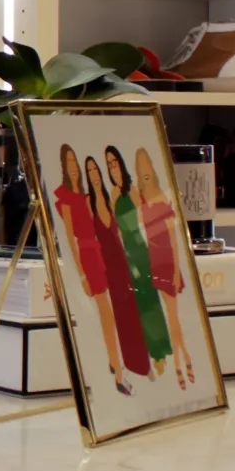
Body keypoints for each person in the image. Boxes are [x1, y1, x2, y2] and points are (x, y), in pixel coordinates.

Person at [53, 145, 129, 393]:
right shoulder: (65, 198)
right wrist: (83, 273)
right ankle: (118, 373)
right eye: (70, 163)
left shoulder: (87, 197)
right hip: (87, 257)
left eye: (75, 162)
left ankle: (113, 360)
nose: (74, 168)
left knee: (115, 311)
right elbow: (71, 240)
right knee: (106, 313)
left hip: (101, 253)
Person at [106, 146, 179, 388]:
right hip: (123, 251)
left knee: (149, 301)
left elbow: (143, 219)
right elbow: (113, 227)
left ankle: (159, 352)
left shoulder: (132, 191)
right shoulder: (114, 194)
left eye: (115, 161)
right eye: (109, 163)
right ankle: (145, 356)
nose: (112, 167)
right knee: (134, 304)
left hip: (138, 249)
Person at [85, 157, 149, 388]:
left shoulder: (110, 198)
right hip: (101, 263)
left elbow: (123, 229)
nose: (93, 174)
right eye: (89, 170)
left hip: (119, 260)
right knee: (108, 315)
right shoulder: (87, 202)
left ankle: (137, 364)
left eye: (95, 169)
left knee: (128, 310)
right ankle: (117, 370)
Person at [134, 147, 195, 386]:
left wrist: (176, 271)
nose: (144, 176)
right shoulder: (142, 198)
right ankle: (180, 363)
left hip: (166, 263)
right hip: (153, 263)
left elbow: (173, 239)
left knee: (173, 318)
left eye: (147, 172)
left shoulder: (162, 198)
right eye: (141, 173)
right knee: (166, 318)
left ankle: (183, 363)